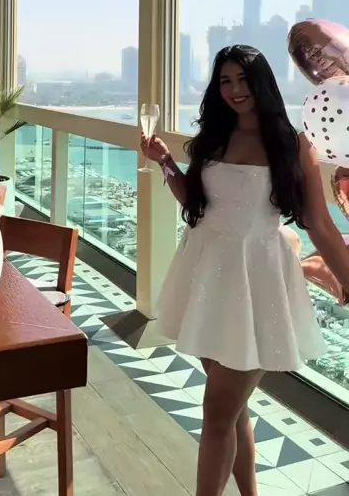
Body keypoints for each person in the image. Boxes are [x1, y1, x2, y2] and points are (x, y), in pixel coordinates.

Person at [141, 45, 349, 496]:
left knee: (217, 414)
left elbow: (319, 223)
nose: (235, 90)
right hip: (206, 277)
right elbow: (199, 204)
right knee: (231, 412)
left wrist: (347, 277)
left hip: (256, 286)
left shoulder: (294, 145)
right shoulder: (215, 136)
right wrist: (165, 162)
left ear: (263, 84)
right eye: (225, 81)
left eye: (243, 80)